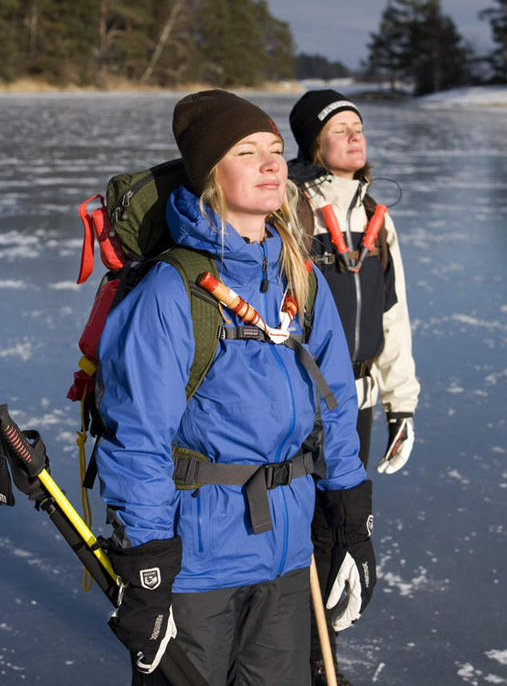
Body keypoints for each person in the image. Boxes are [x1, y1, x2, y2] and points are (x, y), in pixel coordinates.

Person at [95, 89, 376, 686]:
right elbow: (138, 439)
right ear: (209, 176)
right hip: (197, 565)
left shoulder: (299, 276)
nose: (273, 164)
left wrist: (350, 518)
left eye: (275, 149)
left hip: (287, 552)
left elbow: (336, 406)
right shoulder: (170, 294)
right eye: (247, 152)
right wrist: (146, 567)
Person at [288, 89, 420, 685]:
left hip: (357, 400)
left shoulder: (375, 217)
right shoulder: (290, 205)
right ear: (313, 143)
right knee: (303, 519)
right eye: (338, 127)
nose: (353, 134)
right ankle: (298, 645)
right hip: (298, 394)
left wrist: (402, 404)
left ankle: (319, 642)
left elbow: (394, 317)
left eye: (357, 125)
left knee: (341, 518)